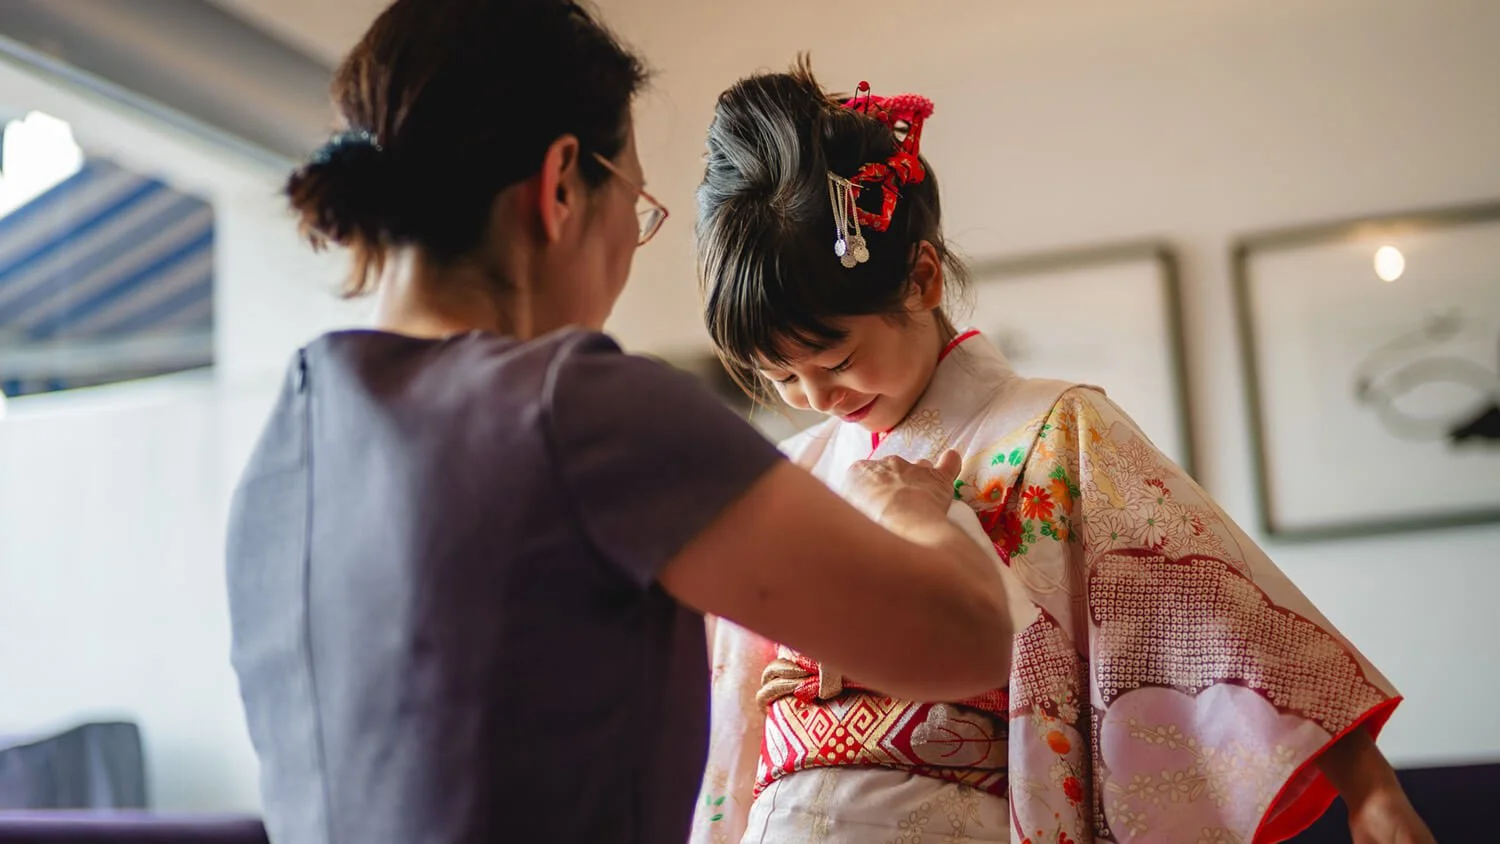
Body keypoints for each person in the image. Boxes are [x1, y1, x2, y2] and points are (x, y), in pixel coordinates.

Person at [223, 4, 1026, 843]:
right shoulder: (578, 407)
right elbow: (963, 640)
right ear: (563, 183)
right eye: (637, 203)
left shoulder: (283, 449)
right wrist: (911, 509)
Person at [692, 59, 1435, 844]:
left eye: (835, 360)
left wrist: (1370, 787)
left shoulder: (1055, 429)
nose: (816, 397)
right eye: (782, 377)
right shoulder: (789, 477)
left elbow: (1219, 619)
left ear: (921, 279)